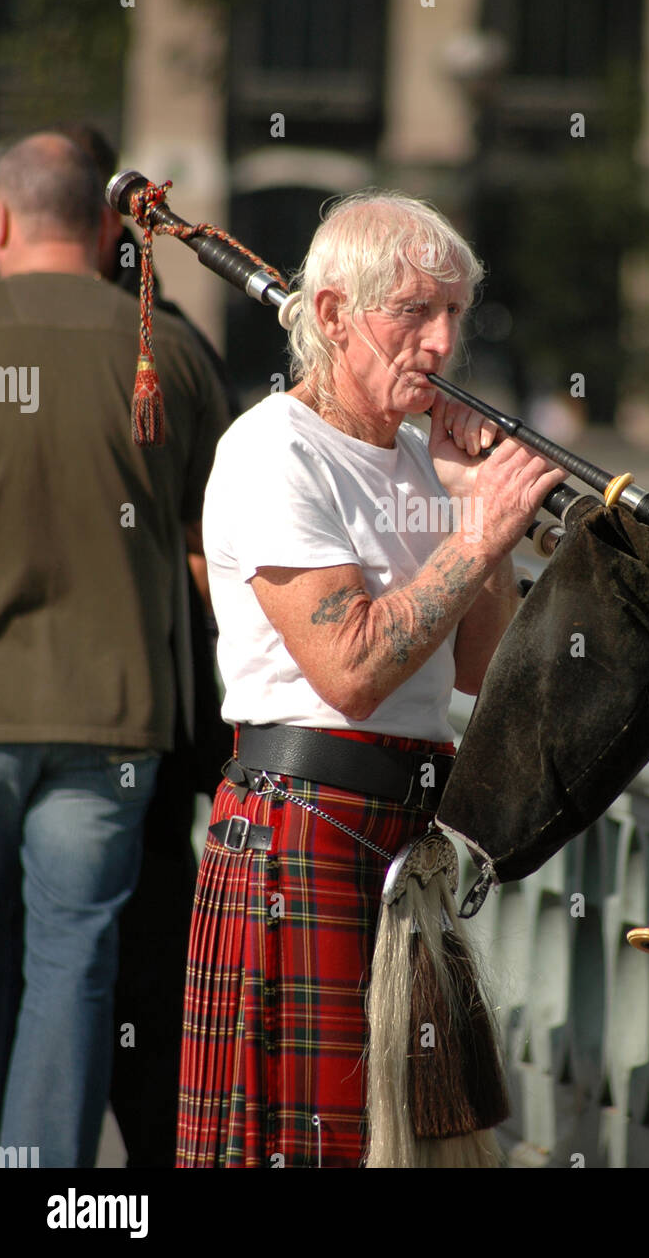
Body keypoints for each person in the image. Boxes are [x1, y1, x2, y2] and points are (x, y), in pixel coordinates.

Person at [176, 190, 566, 1168]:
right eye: (414, 312)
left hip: (408, 840)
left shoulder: (415, 461)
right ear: (337, 313)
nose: (440, 342)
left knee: (401, 1144)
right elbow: (349, 666)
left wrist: (474, 510)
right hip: (301, 828)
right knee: (306, 1147)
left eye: (454, 315)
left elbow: (482, 663)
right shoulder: (273, 452)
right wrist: (473, 537)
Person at [0, 132, 230, 1168]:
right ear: (104, 229)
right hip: (115, 724)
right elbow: (219, 550)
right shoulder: (166, 350)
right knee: (73, 968)